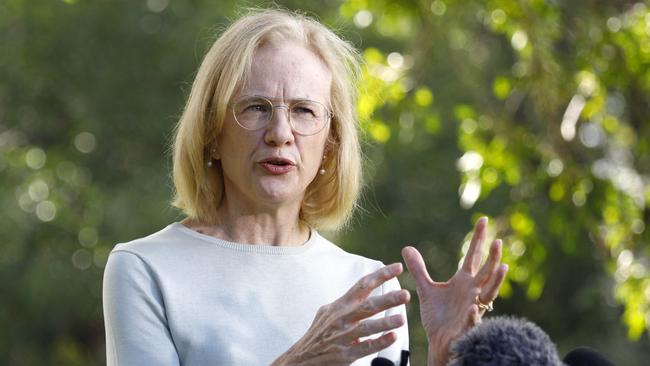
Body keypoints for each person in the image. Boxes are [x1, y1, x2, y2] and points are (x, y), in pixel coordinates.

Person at [102, 8, 508, 366]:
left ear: (331, 142)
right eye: (257, 107)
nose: (281, 133)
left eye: (303, 111)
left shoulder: (369, 285)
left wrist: (443, 357)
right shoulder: (146, 269)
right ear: (211, 132)